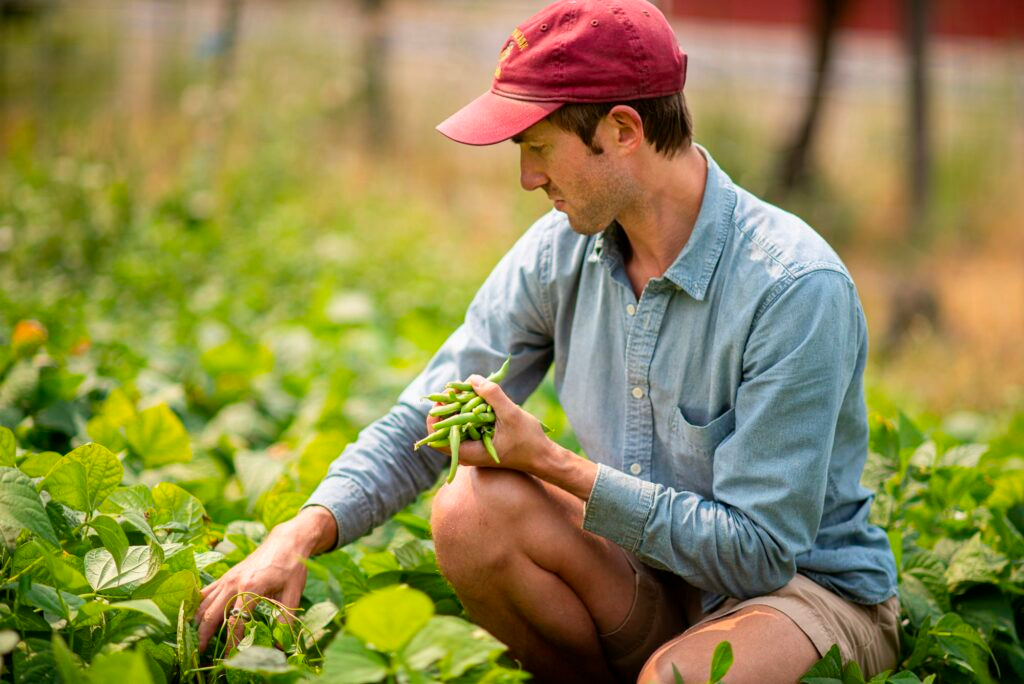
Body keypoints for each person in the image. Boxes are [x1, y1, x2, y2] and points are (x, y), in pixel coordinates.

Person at [195, 1, 900, 682]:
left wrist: (554, 463)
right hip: (653, 577)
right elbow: (425, 416)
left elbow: (759, 555)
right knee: (470, 512)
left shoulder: (792, 286)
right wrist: (298, 534)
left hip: (801, 595)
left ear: (623, 129)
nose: (528, 178)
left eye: (539, 149)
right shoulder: (560, 253)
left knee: (681, 680)